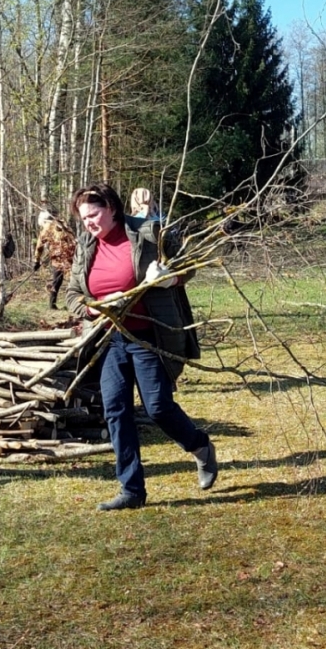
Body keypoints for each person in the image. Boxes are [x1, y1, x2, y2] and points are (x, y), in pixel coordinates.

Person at [66, 183, 214, 511]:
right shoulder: (86, 245)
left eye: (94, 214)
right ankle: (131, 490)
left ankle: (200, 446)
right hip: (108, 339)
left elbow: (188, 265)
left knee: (158, 406)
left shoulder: (147, 231)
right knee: (116, 411)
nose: (89, 222)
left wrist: (168, 278)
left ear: (113, 208)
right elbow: (73, 294)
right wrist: (93, 308)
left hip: (147, 336)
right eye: (84, 217)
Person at [32, 210, 76, 309]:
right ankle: (76, 302)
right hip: (72, 255)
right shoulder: (63, 224)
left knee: (56, 280)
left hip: (59, 257)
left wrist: (36, 261)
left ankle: (52, 304)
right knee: (73, 278)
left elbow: (39, 247)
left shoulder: (47, 228)